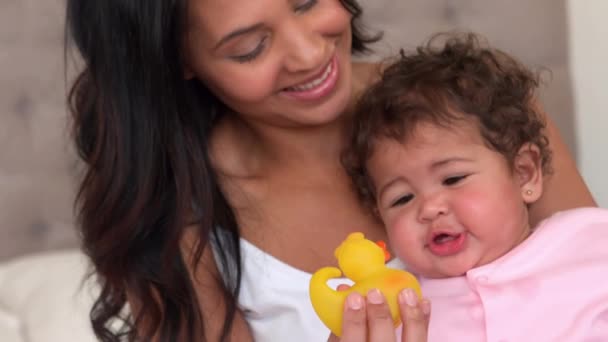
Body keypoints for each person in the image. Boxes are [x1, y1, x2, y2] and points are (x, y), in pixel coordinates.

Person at [64, 0, 595, 340]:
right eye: (251, 48)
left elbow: (587, 274)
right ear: (177, 60)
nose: (309, 52)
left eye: (307, 1)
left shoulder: (477, 105)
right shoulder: (177, 218)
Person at [343, 33, 608, 341]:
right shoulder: (398, 303)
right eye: (401, 199)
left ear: (524, 173)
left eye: (453, 179)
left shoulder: (587, 241)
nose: (429, 208)